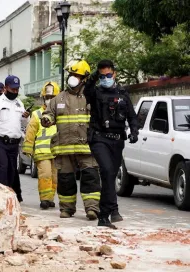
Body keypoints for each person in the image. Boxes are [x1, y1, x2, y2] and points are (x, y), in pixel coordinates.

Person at [41, 59, 101, 220]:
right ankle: (66, 209)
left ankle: (92, 209)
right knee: (65, 180)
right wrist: (46, 118)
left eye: (76, 75)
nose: (72, 78)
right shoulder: (58, 99)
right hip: (64, 147)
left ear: (84, 78)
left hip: (86, 147)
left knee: (90, 178)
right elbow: (48, 114)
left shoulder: (91, 97)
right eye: (71, 74)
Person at [84, 59, 139, 229]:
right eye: (102, 76)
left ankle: (111, 211)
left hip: (117, 140)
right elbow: (86, 91)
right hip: (99, 139)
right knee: (107, 171)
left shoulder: (123, 93)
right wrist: (93, 77)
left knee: (111, 176)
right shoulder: (96, 92)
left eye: (108, 75)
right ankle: (104, 215)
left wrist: (135, 132)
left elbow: (132, 115)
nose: (106, 78)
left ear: (114, 74)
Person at [22, 81, 59, 210]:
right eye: (48, 97)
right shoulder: (37, 114)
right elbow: (30, 131)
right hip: (42, 152)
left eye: (52, 97)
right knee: (45, 175)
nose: (49, 100)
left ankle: (50, 199)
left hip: (57, 152)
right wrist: (27, 148)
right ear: (43, 97)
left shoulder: (60, 113)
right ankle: (44, 199)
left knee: (55, 178)